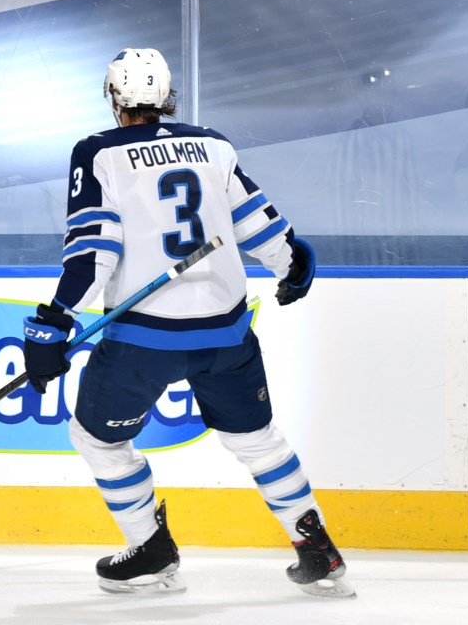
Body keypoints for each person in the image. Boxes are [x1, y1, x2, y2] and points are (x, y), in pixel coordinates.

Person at [21, 49, 354, 598]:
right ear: (166, 96)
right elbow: (258, 222)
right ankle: (316, 548)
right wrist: (291, 264)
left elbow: (95, 249)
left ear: (113, 97)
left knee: (95, 438)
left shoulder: (98, 152)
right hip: (226, 332)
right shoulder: (213, 143)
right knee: (259, 441)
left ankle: (150, 549)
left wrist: (56, 320)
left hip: (144, 338)